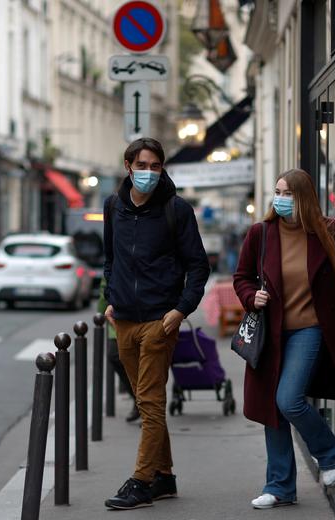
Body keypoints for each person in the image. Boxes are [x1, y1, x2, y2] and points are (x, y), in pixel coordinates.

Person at [102, 138, 210, 510]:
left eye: (156, 166)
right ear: (128, 165)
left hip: (160, 320)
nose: (149, 172)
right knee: (145, 400)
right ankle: (164, 477)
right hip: (126, 320)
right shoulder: (113, 206)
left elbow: (198, 265)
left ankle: (141, 480)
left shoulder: (176, 210)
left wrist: (180, 310)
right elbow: (110, 257)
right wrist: (110, 296)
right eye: (142, 165)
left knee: (149, 401)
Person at [233, 168, 335, 510]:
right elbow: (241, 277)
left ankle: (330, 454)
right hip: (272, 331)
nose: (280, 199)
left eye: (288, 194)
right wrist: (251, 295)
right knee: (273, 408)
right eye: (278, 192)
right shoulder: (261, 233)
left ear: (304, 198)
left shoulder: (326, 231)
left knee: (288, 399)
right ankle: (280, 486)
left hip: (311, 329)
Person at [96, 276, 139, 423]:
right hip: (119, 320)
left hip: (148, 316)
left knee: (148, 362)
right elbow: (105, 286)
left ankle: (148, 410)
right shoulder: (115, 257)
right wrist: (101, 310)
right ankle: (139, 399)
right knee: (115, 355)